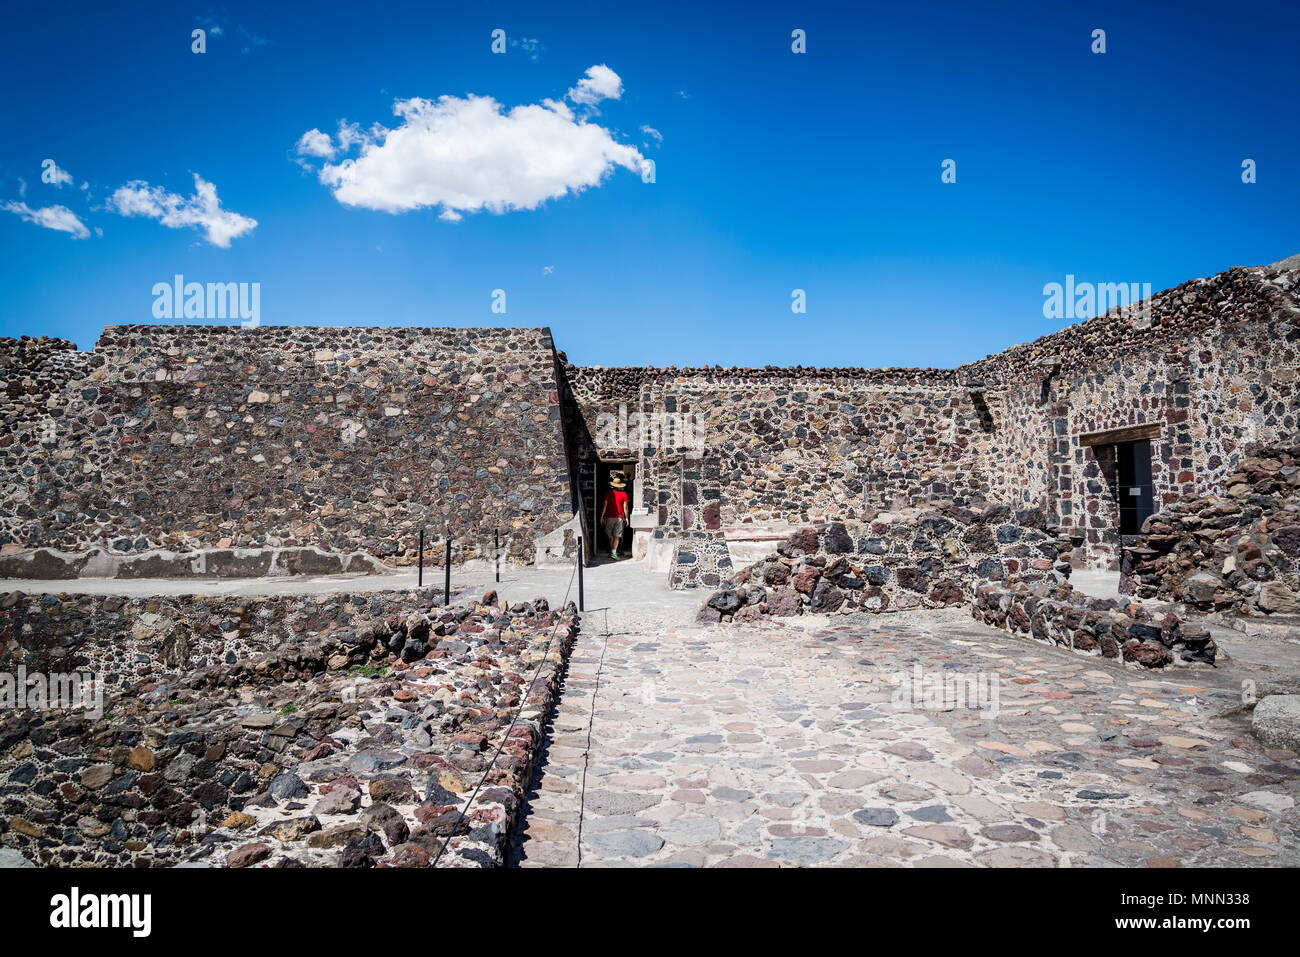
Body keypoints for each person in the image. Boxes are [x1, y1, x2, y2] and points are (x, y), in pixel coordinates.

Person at [600, 472, 630, 560]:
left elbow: (605, 505)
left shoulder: (608, 494)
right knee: (617, 536)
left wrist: (601, 516)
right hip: (619, 517)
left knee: (610, 536)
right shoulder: (624, 494)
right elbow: (625, 507)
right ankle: (613, 553)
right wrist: (627, 518)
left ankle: (612, 552)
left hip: (609, 517)